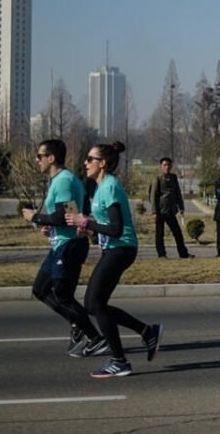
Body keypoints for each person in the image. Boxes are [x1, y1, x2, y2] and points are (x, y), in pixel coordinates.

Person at [66, 141, 163, 379]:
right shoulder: (100, 188)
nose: (85, 163)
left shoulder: (109, 186)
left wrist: (86, 222)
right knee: (93, 304)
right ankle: (146, 331)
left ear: (103, 164)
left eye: (90, 159)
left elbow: (117, 228)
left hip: (122, 248)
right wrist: (89, 229)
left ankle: (120, 360)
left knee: (95, 304)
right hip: (114, 249)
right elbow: (106, 227)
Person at [21, 139, 106, 358]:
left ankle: (95, 338)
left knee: (62, 295)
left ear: (51, 158)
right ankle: (77, 324)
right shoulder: (62, 180)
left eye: (40, 156)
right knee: (40, 289)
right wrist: (51, 226)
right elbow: (72, 213)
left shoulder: (64, 182)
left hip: (69, 247)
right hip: (62, 244)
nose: (36, 160)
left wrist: (36, 218)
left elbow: (64, 215)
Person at [148, 157, 193, 259]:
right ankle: (161, 254)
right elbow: (153, 196)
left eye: (168, 165)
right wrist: (154, 212)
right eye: (165, 165)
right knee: (160, 234)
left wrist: (181, 206)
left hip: (171, 210)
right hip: (160, 211)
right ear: (161, 166)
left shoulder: (173, 177)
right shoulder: (157, 179)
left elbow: (177, 192)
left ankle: (183, 253)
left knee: (177, 233)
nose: (167, 167)